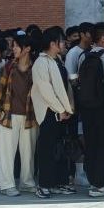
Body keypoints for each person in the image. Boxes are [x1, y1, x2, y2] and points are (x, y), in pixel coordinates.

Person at [31, 27, 75, 199]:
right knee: (47, 149)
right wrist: (61, 109)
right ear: (52, 43)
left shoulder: (58, 60)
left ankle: (60, 182)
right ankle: (44, 185)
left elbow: (64, 86)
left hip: (62, 111)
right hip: (49, 112)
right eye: (61, 41)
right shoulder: (41, 62)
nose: (64, 44)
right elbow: (46, 90)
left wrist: (68, 107)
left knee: (61, 149)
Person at [0, 34, 37, 196]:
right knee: (6, 152)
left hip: (30, 116)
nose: (14, 49)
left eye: (17, 46)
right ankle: (7, 185)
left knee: (28, 153)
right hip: (8, 114)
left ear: (27, 49)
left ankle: (27, 182)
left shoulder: (36, 68)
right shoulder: (9, 67)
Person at [77, 22, 104, 198]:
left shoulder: (84, 56)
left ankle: (93, 181)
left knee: (91, 144)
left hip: (87, 106)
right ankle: (99, 185)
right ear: (102, 39)